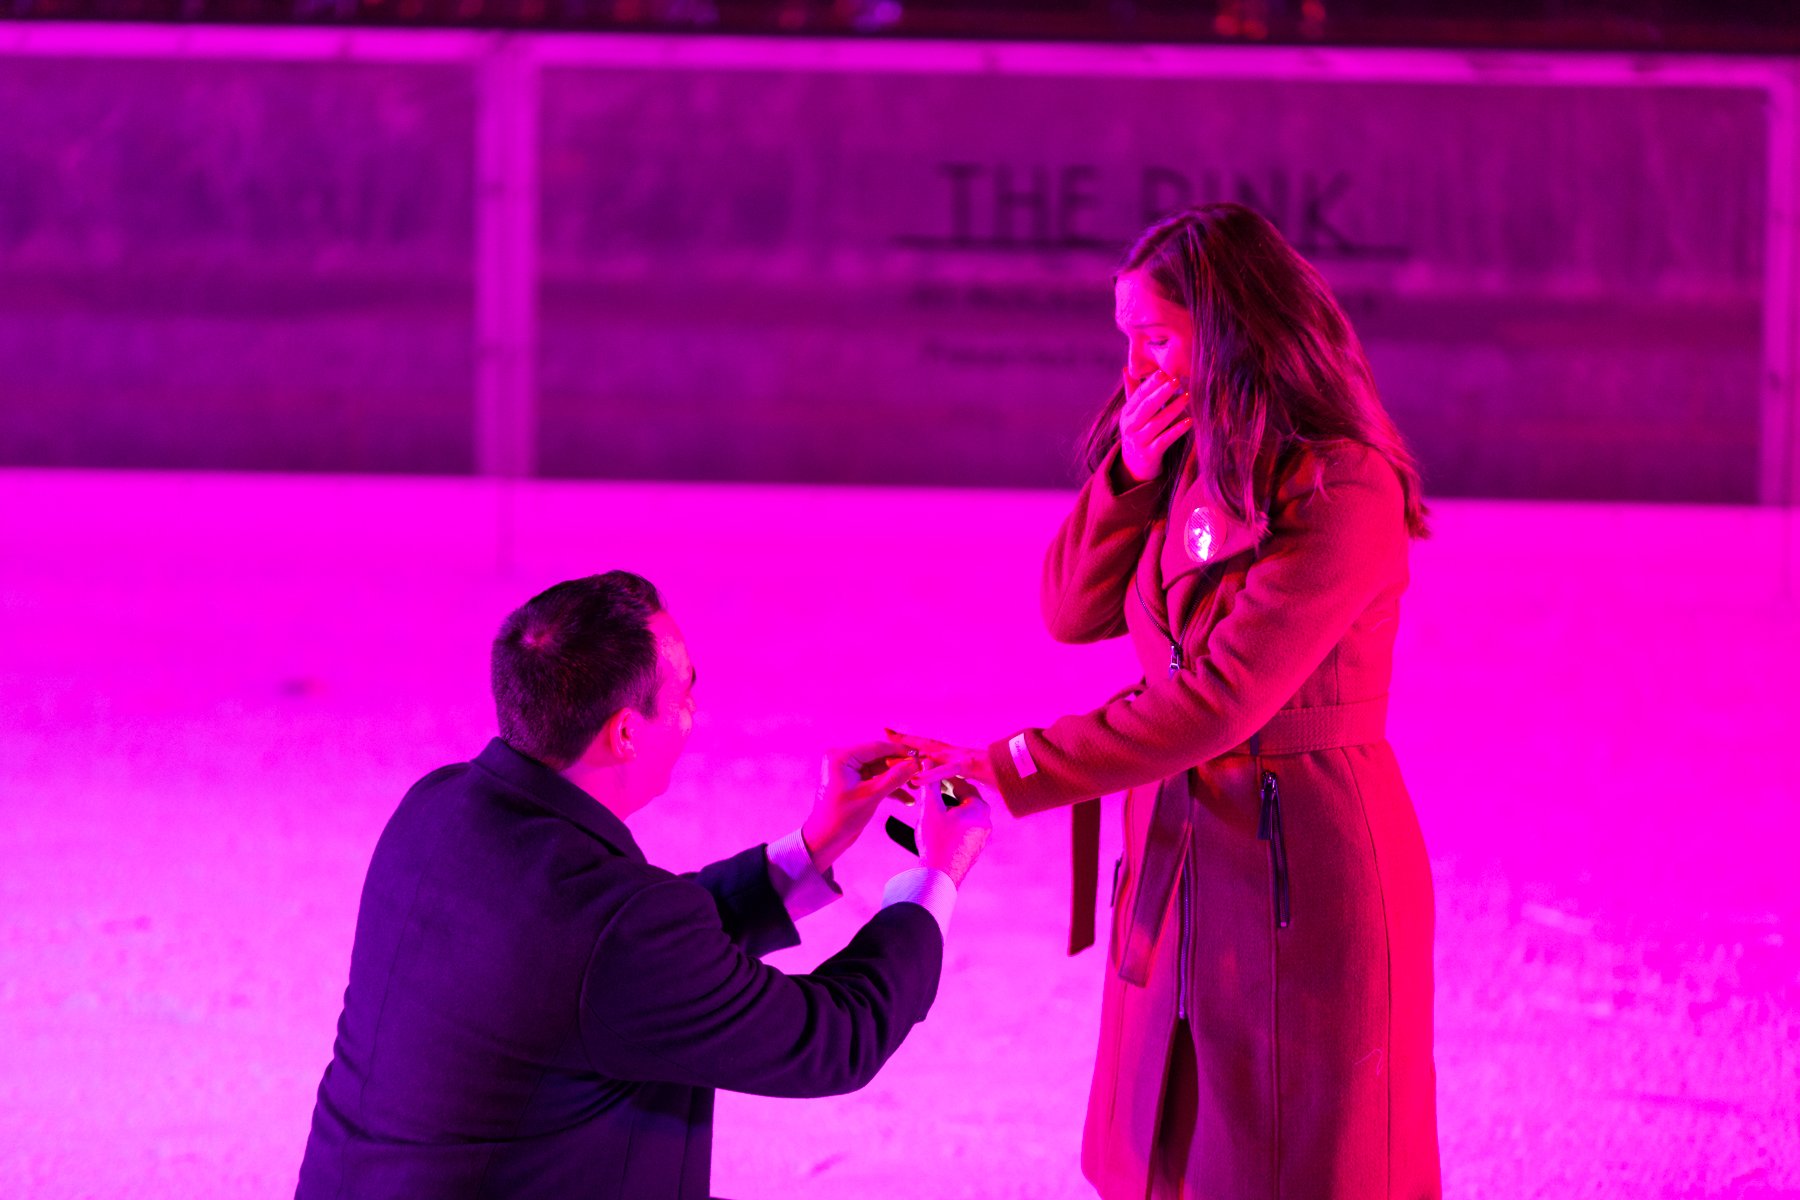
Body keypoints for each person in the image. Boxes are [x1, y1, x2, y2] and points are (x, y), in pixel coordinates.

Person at [894, 203, 1440, 1198]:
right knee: (1176, 1132)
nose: (1137, 369)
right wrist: (1129, 478)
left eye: (1154, 339)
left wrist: (1016, 765)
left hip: (1301, 852)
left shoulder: (1341, 487)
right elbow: (1069, 609)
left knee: (1299, 1146)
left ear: (1231, 328)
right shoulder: (1182, 460)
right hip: (1181, 839)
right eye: (1127, 340)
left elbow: (1221, 700)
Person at [295, 570, 991, 1200]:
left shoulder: (436, 807)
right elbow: (835, 1039)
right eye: (687, 693)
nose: (694, 712)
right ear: (626, 733)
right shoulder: (620, 932)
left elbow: (615, 955)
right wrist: (935, 877)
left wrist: (811, 848)